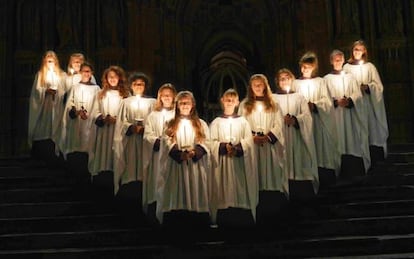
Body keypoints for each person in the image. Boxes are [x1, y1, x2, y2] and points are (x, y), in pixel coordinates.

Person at [156, 91, 211, 229]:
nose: (185, 105)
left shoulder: (201, 124)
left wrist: (195, 152)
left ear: (193, 105)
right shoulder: (170, 124)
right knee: (177, 192)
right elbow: (166, 141)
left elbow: (207, 141)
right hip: (177, 166)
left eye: (187, 102)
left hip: (195, 166)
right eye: (182, 103)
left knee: (195, 191)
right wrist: (179, 154)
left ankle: (197, 222)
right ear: (177, 105)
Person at [238, 74, 286, 224]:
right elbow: (241, 124)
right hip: (253, 147)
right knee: (255, 175)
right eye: (255, 85)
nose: (258, 87)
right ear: (251, 88)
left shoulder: (274, 104)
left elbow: (279, 124)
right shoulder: (245, 105)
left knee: (270, 176)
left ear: (265, 86)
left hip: (269, 146)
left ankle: (273, 210)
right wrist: (251, 137)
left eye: (260, 85)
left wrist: (267, 137)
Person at [209, 88, 258, 227]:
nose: (230, 102)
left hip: (239, 163)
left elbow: (249, 141)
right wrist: (224, 147)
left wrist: (237, 149)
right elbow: (210, 143)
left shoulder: (243, 122)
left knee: (239, 188)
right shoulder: (216, 122)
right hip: (223, 163)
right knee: (223, 190)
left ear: (237, 102)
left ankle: (241, 216)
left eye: (232, 100)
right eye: (227, 100)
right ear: (222, 101)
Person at [292, 51, 340, 188]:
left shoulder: (321, 82)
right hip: (302, 123)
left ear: (313, 67)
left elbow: (327, 102)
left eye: (307, 67)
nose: (304, 70)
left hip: (318, 121)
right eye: (302, 67)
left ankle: (324, 177)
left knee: (320, 147)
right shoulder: (295, 83)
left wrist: (315, 105)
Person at [324, 49, 370, 180]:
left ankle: (354, 168)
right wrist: (336, 102)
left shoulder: (350, 77)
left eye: (340, 59)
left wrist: (349, 100)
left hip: (350, 117)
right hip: (335, 116)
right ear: (331, 61)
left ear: (343, 60)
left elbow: (358, 95)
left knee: (351, 140)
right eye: (335, 60)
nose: (338, 62)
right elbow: (324, 98)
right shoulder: (326, 79)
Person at [343, 40, 389, 167]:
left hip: (368, 104)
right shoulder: (346, 68)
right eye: (355, 49)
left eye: (360, 49)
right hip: (354, 106)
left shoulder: (370, 67)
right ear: (352, 51)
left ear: (364, 51)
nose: (357, 52)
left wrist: (368, 87)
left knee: (371, 128)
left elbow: (378, 87)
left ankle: (375, 158)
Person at [273, 68, 318, 196]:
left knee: (298, 162)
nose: (285, 80)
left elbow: (307, 117)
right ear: (277, 81)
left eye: (287, 77)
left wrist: (295, 120)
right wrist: (281, 120)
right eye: (281, 78)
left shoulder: (299, 97)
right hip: (281, 137)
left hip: (297, 137)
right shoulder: (273, 98)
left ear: (291, 79)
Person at [113, 72, 156, 205]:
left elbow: (155, 122)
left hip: (145, 142)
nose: (138, 86)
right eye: (136, 84)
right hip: (130, 141)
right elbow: (121, 122)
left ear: (145, 86)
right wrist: (131, 128)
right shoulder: (125, 102)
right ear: (131, 86)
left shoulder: (152, 102)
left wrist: (145, 129)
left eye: (141, 84)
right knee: (131, 166)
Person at [88, 65, 129, 197]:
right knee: (104, 156)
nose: (112, 79)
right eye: (110, 77)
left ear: (120, 78)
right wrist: (103, 119)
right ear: (106, 78)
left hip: (119, 132)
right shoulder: (101, 94)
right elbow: (95, 111)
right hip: (104, 132)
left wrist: (117, 120)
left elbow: (129, 114)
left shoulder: (126, 95)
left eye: (115, 76)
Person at [59, 62, 101, 185]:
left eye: (88, 71)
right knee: (76, 149)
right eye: (84, 71)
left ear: (92, 73)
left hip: (89, 124)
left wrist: (90, 115)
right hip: (76, 124)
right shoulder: (75, 87)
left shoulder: (96, 89)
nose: (86, 73)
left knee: (88, 149)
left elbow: (98, 106)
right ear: (80, 73)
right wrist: (76, 112)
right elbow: (69, 105)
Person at [142, 83, 177, 221]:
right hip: (157, 157)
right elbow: (147, 135)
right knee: (157, 180)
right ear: (160, 97)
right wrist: (158, 142)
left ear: (174, 96)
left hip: (172, 157)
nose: (167, 97)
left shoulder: (178, 114)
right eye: (164, 95)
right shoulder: (153, 116)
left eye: (169, 95)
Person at [28, 50, 66, 167]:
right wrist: (45, 91)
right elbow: (36, 92)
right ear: (44, 61)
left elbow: (65, 90)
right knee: (44, 128)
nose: (50, 62)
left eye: (52, 60)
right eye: (48, 60)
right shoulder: (40, 75)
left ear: (56, 61)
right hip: (44, 107)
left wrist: (58, 93)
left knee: (56, 128)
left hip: (57, 106)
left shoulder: (61, 75)